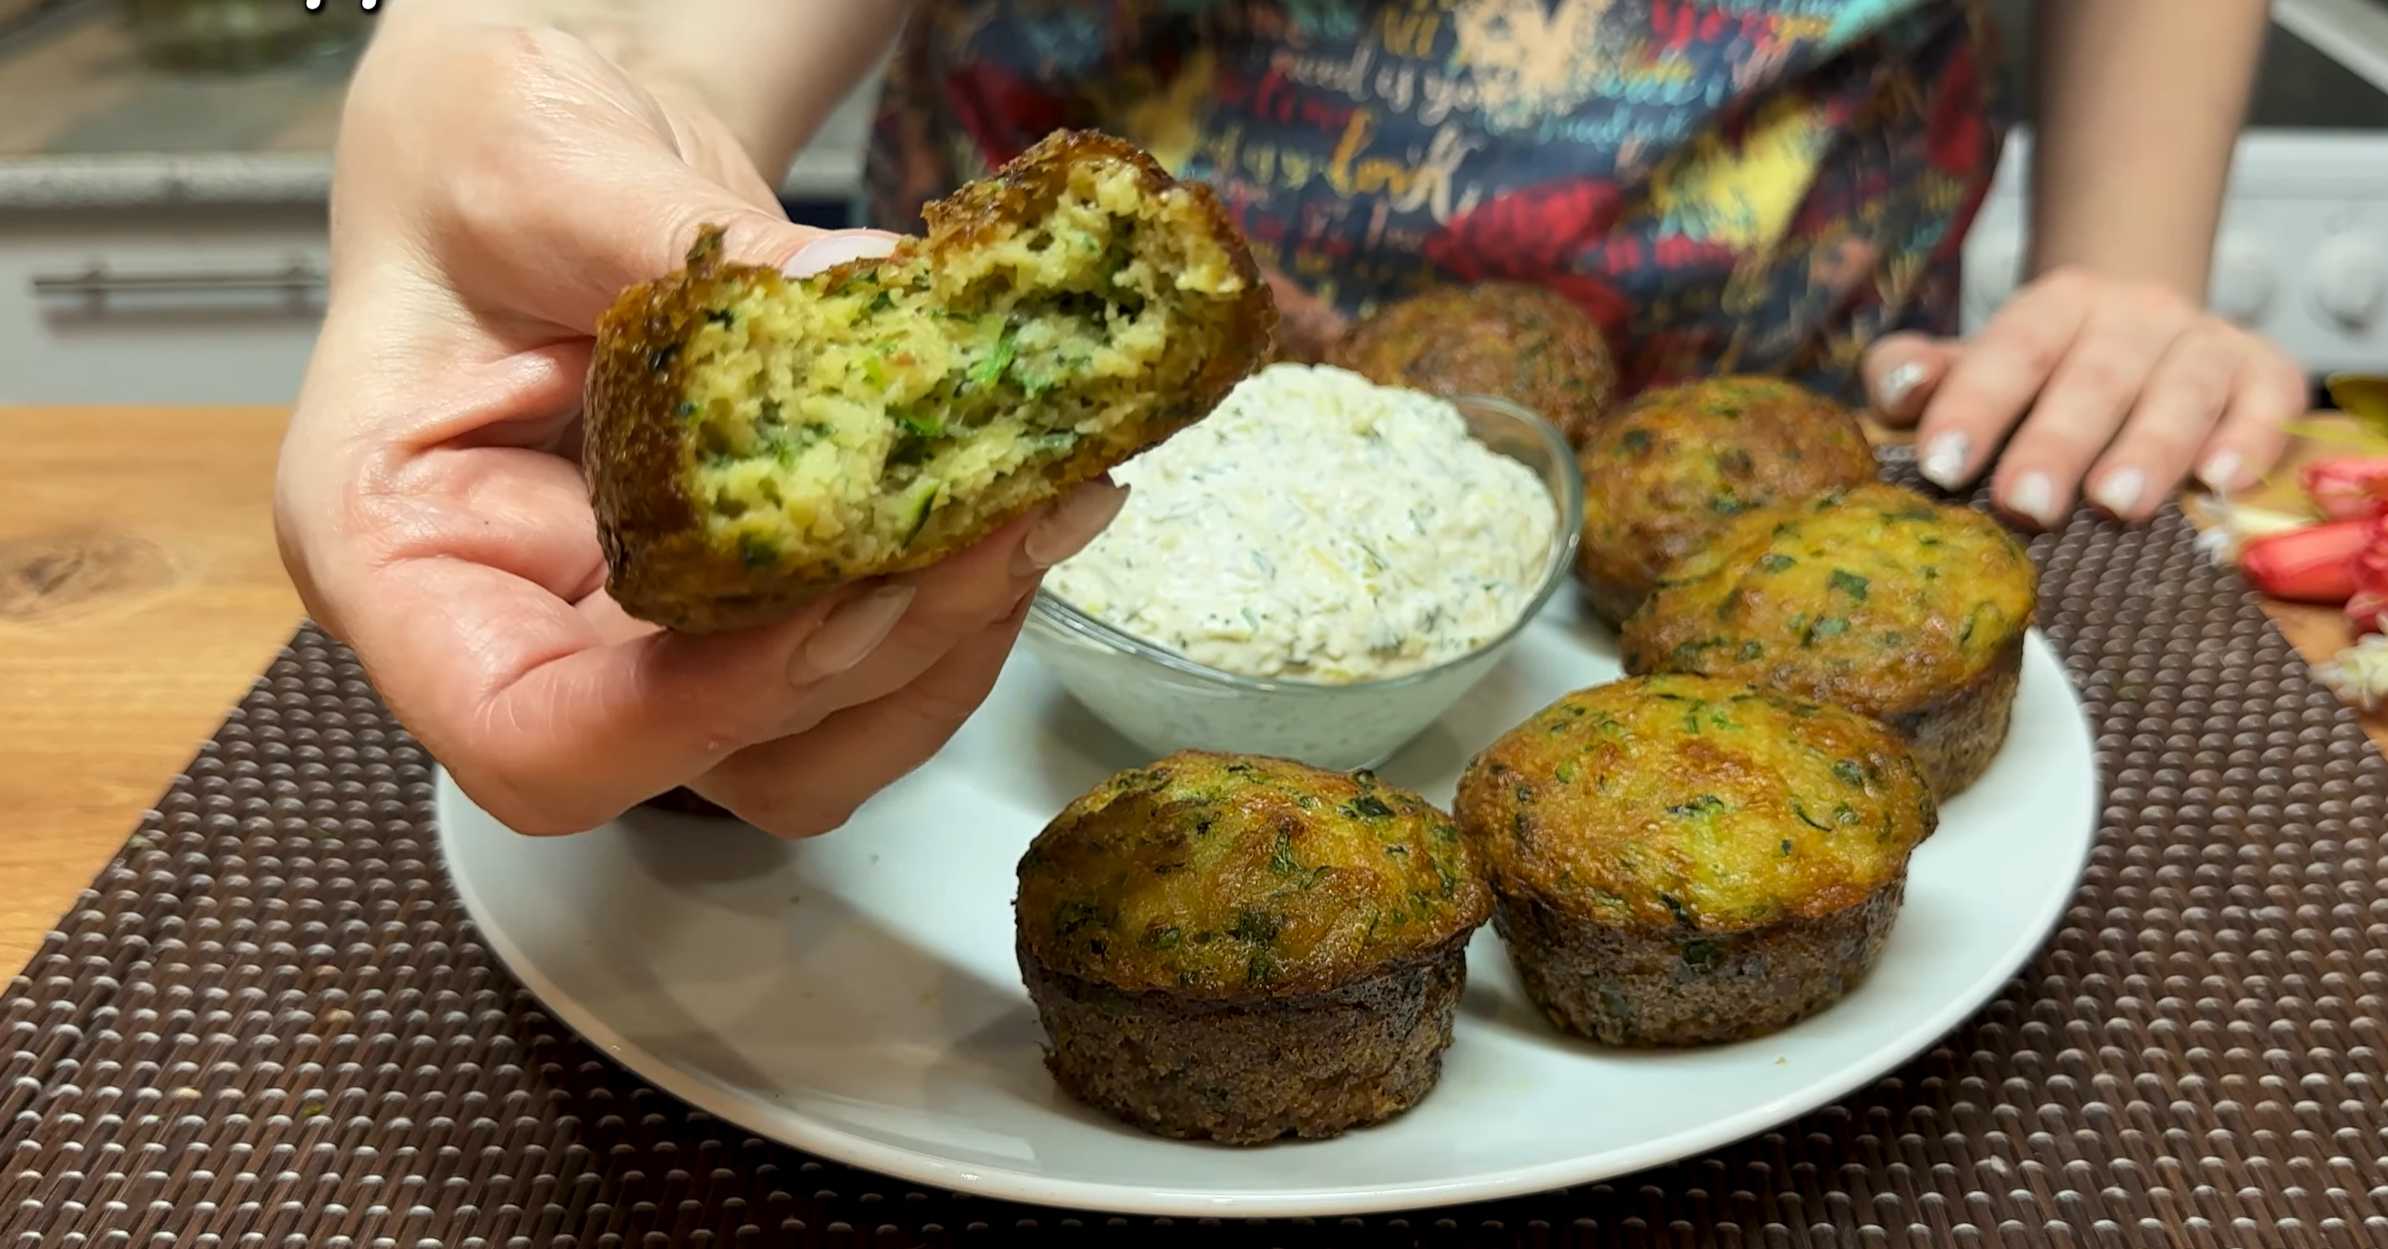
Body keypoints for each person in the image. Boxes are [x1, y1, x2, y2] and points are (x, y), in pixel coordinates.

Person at [280, 0, 2297, 839]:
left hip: (1821, 358)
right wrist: (540, 80)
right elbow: (631, 61)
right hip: (1069, 552)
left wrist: (2130, 252)